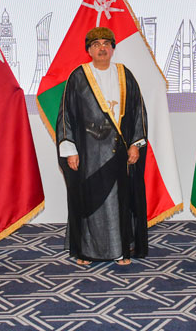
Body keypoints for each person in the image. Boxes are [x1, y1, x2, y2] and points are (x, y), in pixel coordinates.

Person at [56, 27, 147, 265]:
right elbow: (66, 115)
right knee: (89, 202)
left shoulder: (125, 75)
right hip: (88, 154)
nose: (102, 48)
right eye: (96, 45)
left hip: (119, 152)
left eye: (106, 44)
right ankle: (85, 252)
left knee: (119, 203)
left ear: (113, 48)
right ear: (89, 50)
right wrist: (70, 150)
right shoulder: (78, 76)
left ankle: (120, 251)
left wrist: (135, 145)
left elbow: (138, 111)